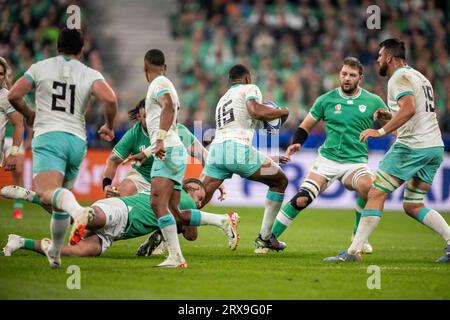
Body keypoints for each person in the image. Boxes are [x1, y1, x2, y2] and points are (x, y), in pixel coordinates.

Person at [325, 39, 450, 263]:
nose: (378, 60)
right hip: (434, 147)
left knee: (375, 193)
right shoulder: (420, 77)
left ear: (390, 58)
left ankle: (353, 252)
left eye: (380, 56)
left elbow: (410, 109)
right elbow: (416, 111)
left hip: (412, 146)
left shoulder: (398, 78)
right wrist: (391, 117)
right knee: (413, 204)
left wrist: (381, 131)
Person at [7, 28, 118, 268]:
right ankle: (56, 253)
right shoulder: (90, 73)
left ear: (58, 47)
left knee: (47, 193)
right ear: (81, 49)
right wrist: (109, 125)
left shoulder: (40, 67)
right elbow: (109, 99)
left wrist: (29, 114)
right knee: (59, 202)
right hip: (77, 141)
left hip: (49, 136)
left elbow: (14, 94)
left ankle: (78, 212)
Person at [270, 57, 389, 253]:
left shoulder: (373, 100)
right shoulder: (326, 100)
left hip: (355, 162)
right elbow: (306, 125)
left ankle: (356, 236)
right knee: (302, 199)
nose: (347, 78)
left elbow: (392, 122)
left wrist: (389, 119)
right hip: (327, 160)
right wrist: (296, 143)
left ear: (360, 77)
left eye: (352, 75)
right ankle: (267, 239)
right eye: (344, 74)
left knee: (369, 189)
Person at [2, 179, 239, 258]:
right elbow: (192, 234)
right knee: (84, 219)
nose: (199, 201)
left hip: (117, 231)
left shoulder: (171, 200)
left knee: (78, 250)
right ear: (190, 189)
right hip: (120, 211)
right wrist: (214, 220)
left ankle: (20, 241)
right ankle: (35, 197)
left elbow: (184, 230)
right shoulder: (182, 199)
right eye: (199, 196)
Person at [201, 64, 290, 253]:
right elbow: (256, 111)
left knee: (197, 199)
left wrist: (271, 117)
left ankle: (163, 229)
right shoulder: (250, 89)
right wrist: (282, 111)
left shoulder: (223, 99)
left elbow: (255, 122)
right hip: (237, 149)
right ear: (248, 78)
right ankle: (265, 239)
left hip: (217, 150)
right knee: (280, 181)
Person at [103, 98, 226, 200]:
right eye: (145, 116)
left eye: (152, 115)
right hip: (142, 178)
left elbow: (203, 155)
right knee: (121, 196)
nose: (150, 119)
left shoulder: (178, 130)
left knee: (193, 198)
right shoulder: (134, 134)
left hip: (170, 180)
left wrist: (214, 178)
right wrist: (107, 185)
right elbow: (113, 161)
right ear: (139, 117)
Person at [0, 57, 26, 219]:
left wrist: (27, 140)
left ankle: (18, 207)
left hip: (10, 140)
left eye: (3, 74)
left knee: (18, 171)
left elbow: (22, 121)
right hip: (5, 139)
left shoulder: (11, 97)